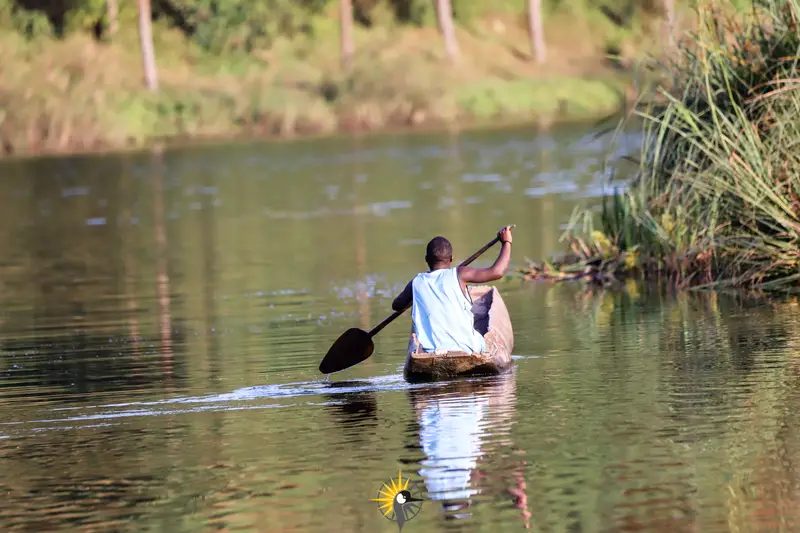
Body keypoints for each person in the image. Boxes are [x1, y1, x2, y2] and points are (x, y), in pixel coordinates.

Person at [392, 225, 514, 354]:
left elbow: (397, 305)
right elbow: (498, 272)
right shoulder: (460, 274)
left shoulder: (416, 282)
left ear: (426, 260)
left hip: (432, 351)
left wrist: (414, 294)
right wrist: (506, 242)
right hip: (468, 348)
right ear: (451, 259)